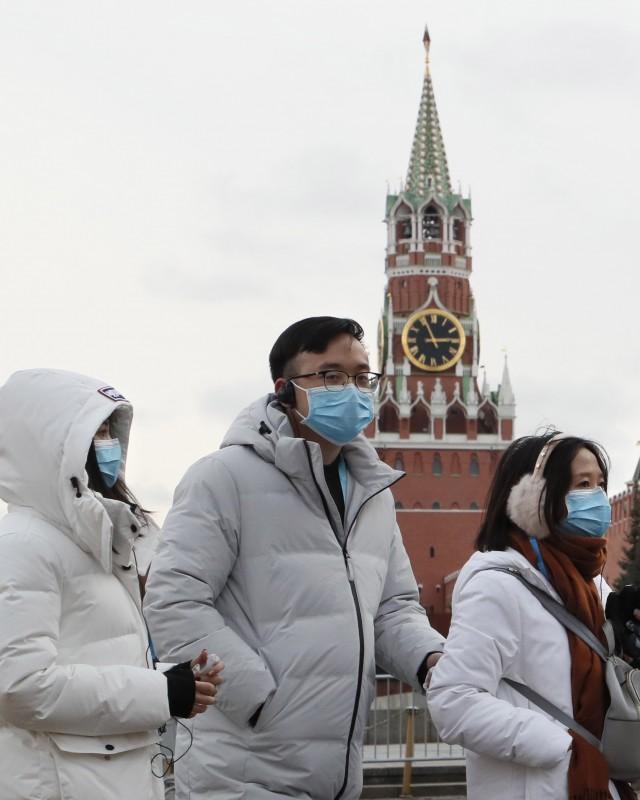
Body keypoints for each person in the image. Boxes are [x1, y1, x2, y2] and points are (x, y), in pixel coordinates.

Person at [144, 317, 445, 799]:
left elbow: (393, 608)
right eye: (329, 375)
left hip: (338, 776)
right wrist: (260, 701)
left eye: (360, 376)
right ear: (285, 390)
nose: (349, 388)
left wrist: (432, 660)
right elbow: (171, 600)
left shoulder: (372, 493)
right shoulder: (223, 478)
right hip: (243, 775)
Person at [0, 369, 219, 800]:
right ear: (47, 446)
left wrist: (172, 681)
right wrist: (161, 693)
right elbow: (20, 687)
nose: (108, 446)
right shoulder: (24, 545)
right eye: (94, 432)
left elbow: (92, 655)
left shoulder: (94, 541)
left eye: (110, 431)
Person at [427, 432, 640, 800]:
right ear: (534, 498)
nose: (596, 497)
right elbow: (452, 701)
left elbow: (613, 690)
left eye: (600, 484)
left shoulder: (590, 586)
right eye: (581, 484)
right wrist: (561, 746)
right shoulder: (497, 587)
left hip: (598, 783)